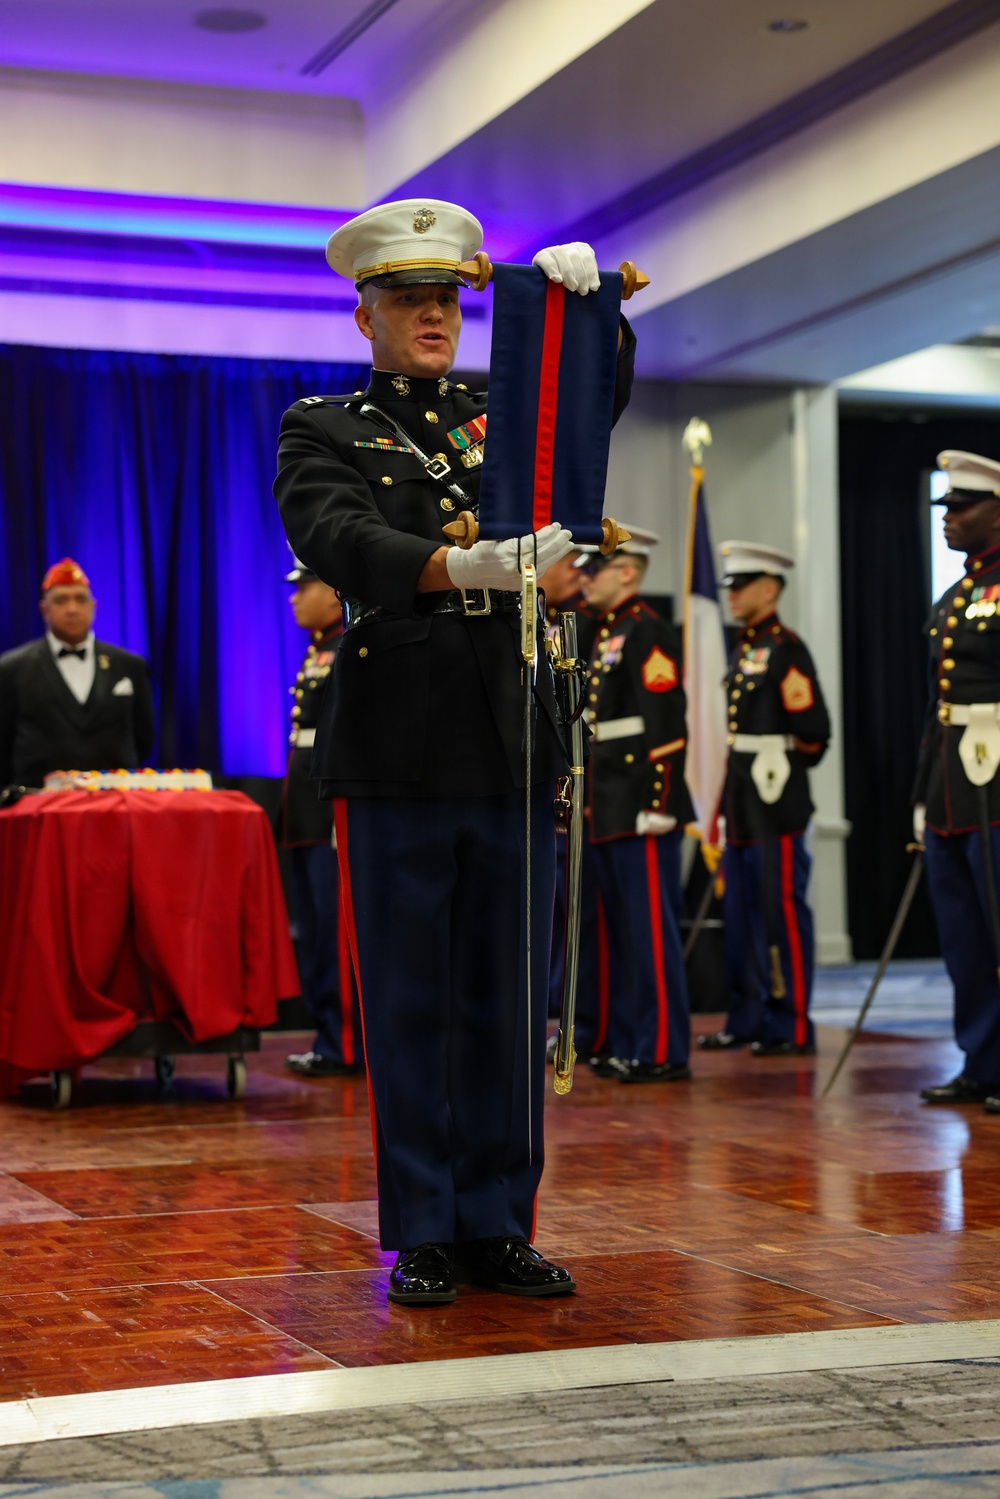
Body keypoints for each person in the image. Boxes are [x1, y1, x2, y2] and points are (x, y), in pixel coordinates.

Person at [274, 200, 635, 1305]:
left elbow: (589, 410)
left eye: (447, 299)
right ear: (364, 313)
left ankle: (498, 1218)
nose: (432, 316)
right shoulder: (322, 425)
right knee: (413, 998)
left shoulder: (497, 411)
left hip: (512, 738)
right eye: (408, 300)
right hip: (399, 746)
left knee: (503, 993)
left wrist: (595, 317)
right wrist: (457, 567)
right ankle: (423, 1224)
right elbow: (337, 537)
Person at [698, 542, 830, 1057]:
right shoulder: (747, 646)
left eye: (742, 586)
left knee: (780, 916)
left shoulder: (787, 649)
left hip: (777, 805)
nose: (732, 596)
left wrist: (777, 757)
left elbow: (815, 733)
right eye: (729, 586)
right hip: (742, 803)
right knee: (741, 917)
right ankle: (747, 1016)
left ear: (770, 588)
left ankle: (791, 1025)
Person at [577, 530, 694, 1081]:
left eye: (595, 569)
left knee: (649, 932)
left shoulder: (647, 630)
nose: (584, 577)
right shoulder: (608, 633)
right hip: (609, 804)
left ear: (628, 571)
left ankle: (663, 1048)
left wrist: (659, 799)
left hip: (642, 805)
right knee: (620, 934)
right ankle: (627, 1038)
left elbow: (667, 727)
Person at [913, 451, 1000, 1111]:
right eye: (944, 509)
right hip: (952, 784)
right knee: (964, 935)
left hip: (997, 782)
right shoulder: (956, 594)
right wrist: (922, 794)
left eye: (961, 508)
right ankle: (982, 1060)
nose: (948, 519)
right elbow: (935, 706)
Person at [279, 556, 363, 1079]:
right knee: (311, 932)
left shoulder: (347, 650)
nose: (294, 598)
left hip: (331, 815)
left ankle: (347, 1040)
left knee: (335, 935)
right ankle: (328, 1033)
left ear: (334, 592)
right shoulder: (319, 652)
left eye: (304, 587)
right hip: (308, 814)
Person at [0, 557, 154, 790]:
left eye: (80, 599)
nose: (72, 609)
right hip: (38, 806)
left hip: (114, 803)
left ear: (93, 607)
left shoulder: (129, 666)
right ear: (44, 610)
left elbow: (144, 739)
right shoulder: (12, 669)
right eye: (61, 600)